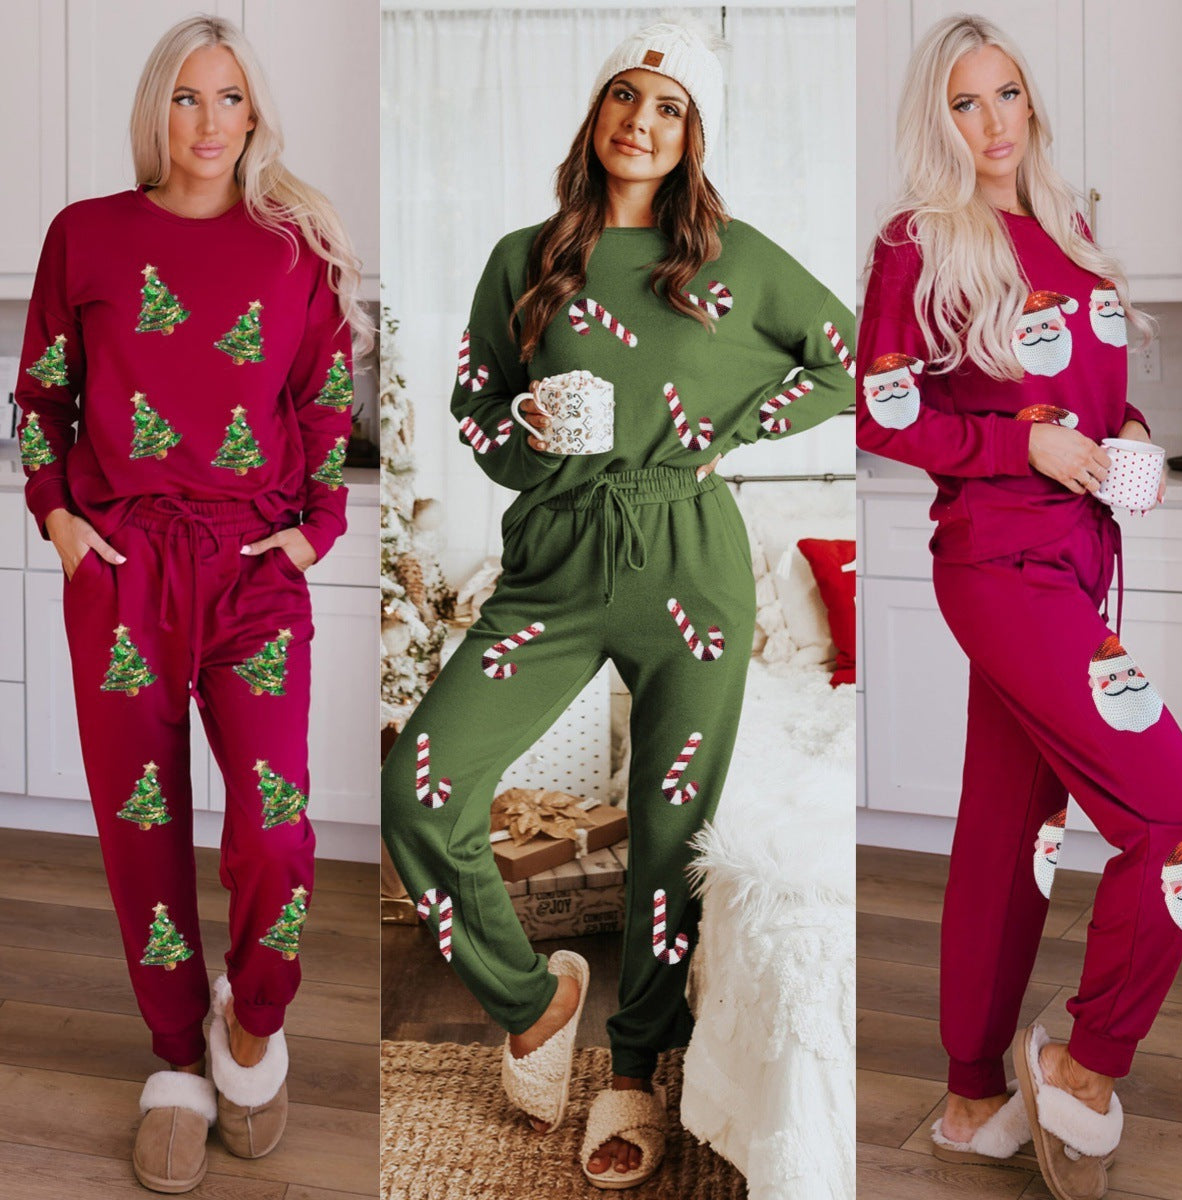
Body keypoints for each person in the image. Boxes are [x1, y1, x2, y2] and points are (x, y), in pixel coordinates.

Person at [381, 19, 854, 1190]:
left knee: (668, 834)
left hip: (691, 560)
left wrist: (727, 430)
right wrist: (525, 437)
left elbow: (847, 357)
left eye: (670, 107)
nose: (642, 121)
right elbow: (477, 413)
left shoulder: (735, 258)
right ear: (596, 115)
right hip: (554, 560)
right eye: (624, 98)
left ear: (694, 134)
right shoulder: (523, 257)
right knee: (415, 792)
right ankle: (537, 1003)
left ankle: (639, 1065)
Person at [14, 15, 370, 1194]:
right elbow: (40, 400)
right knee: (141, 830)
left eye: (229, 99)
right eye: (185, 99)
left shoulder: (294, 247)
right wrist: (61, 522)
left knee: (273, 830)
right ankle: (173, 1059)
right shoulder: (86, 236)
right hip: (121, 569)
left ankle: (251, 1027)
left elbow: (325, 403)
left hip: (250, 571)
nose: (209, 123)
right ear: (154, 111)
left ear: (255, 112)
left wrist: (314, 535)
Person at [856, 14, 1182, 1200]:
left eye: (1009, 95)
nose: (995, 122)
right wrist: (1026, 448)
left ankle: (970, 1100)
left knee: (1012, 833)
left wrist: (1136, 445)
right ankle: (1086, 1067)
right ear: (935, 120)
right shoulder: (915, 243)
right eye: (966, 103)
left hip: (1078, 557)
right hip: (999, 567)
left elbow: (1103, 401)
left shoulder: (1071, 230)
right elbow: (886, 415)